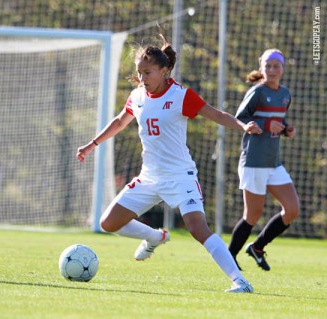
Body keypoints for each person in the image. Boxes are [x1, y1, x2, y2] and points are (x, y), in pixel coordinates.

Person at [76, 34, 262, 293]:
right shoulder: (137, 96)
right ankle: (155, 237)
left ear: (164, 71)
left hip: (180, 176)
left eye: (148, 73)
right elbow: (120, 121)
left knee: (198, 230)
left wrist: (243, 125)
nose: (142, 79)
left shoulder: (180, 96)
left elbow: (216, 114)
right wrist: (91, 144)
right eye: (139, 73)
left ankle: (240, 282)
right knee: (108, 223)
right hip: (149, 177)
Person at [228, 49, 299, 271]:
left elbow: (277, 120)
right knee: (252, 215)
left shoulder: (285, 93)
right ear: (261, 68)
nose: (271, 70)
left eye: (276, 66)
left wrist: (286, 129)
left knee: (292, 209)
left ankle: (258, 247)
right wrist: (265, 126)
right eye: (267, 66)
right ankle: (229, 256)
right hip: (254, 161)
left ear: (283, 69)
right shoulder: (257, 92)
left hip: (273, 162)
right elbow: (241, 117)